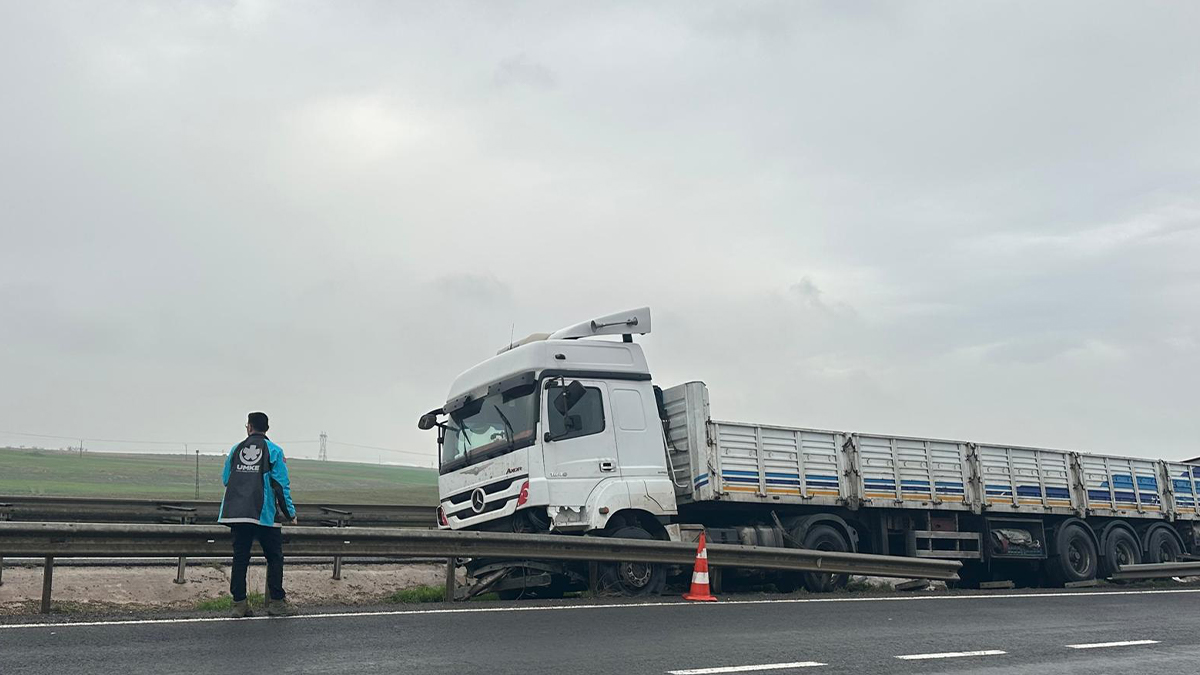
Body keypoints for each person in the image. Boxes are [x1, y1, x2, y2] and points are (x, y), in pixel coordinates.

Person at [218, 411, 298, 617]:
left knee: (240, 558)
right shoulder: (275, 451)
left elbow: (226, 478)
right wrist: (290, 513)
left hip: (237, 513)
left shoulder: (236, 449)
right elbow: (281, 485)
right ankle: (276, 603)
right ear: (267, 429)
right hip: (264, 514)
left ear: (249, 427)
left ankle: (239, 604)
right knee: (274, 558)